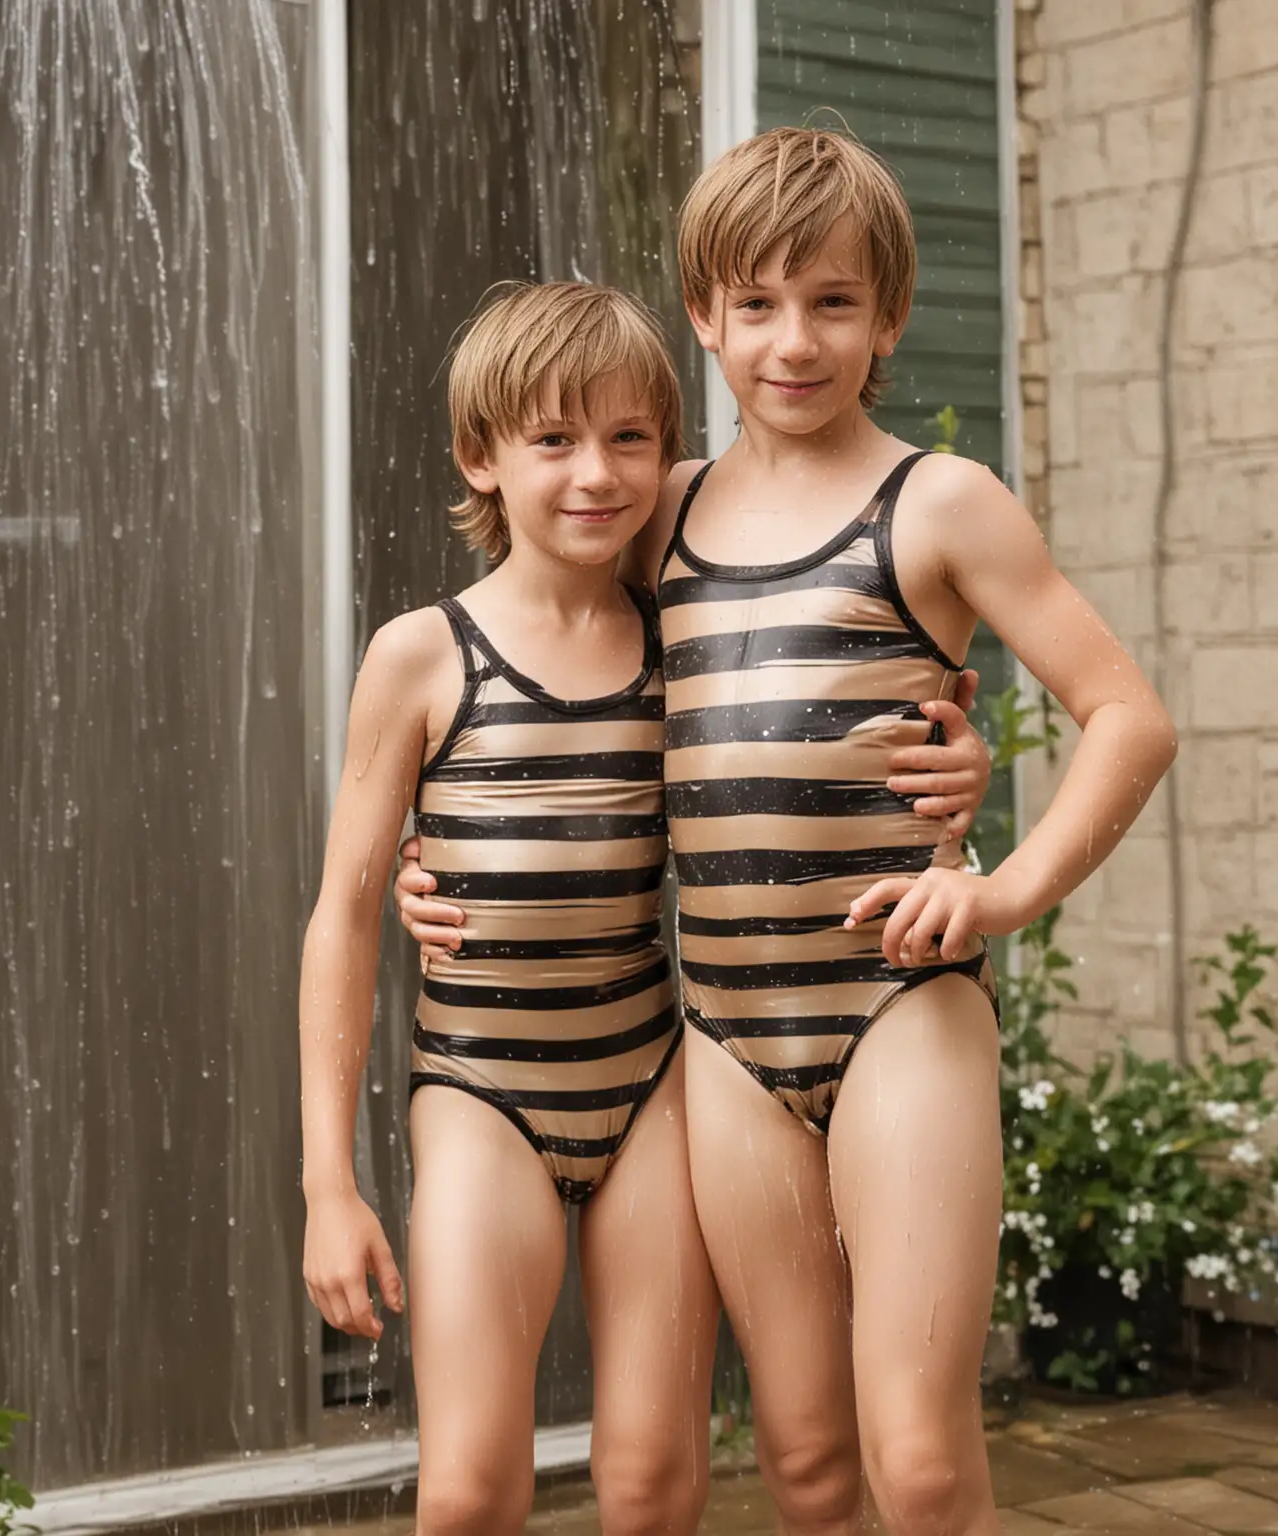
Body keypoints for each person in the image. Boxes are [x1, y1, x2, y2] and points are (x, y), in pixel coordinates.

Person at [395, 128, 1177, 1535]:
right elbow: (561, 666)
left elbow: (1128, 716)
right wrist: (442, 848)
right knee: (807, 1463)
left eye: (831, 302)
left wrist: (1002, 891)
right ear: (703, 315)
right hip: (729, 1044)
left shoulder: (936, 504)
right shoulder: (662, 509)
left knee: (921, 1465)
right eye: (756, 304)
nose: (793, 340)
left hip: (897, 1009)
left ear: (887, 316)